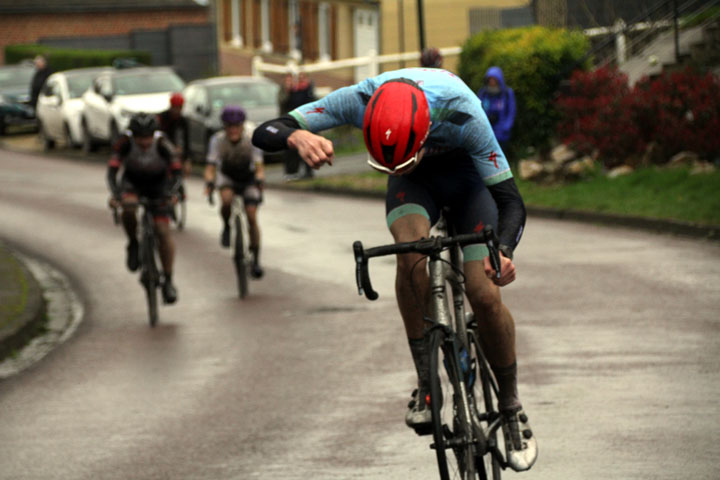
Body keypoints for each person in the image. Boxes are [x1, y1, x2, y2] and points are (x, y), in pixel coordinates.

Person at [252, 68, 537, 471]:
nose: (393, 169)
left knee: (485, 294)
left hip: (468, 182)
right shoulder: (359, 100)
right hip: (416, 185)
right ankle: (426, 381)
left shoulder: (463, 113)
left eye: (401, 161)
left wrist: (503, 251)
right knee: (410, 255)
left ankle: (510, 406)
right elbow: (267, 130)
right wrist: (297, 134)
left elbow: (510, 202)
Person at [107, 113, 182, 304]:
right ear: (133, 135)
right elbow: (112, 171)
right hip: (133, 183)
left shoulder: (163, 144)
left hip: (159, 186)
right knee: (129, 208)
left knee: (163, 232)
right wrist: (116, 194)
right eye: (140, 137)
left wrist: (173, 192)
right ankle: (133, 242)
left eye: (147, 137)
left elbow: (177, 172)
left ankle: (168, 280)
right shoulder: (124, 143)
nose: (144, 142)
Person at [204, 106, 265, 279]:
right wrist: (209, 181)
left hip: (248, 177)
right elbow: (211, 166)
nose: (233, 130)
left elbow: (259, 166)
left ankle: (256, 259)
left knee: (252, 216)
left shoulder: (251, 138)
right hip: (228, 177)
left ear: (242, 126)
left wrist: (260, 179)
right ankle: (226, 225)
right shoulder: (217, 140)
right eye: (229, 126)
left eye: (237, 126)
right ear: (224, 126)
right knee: (226, 200)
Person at [477, 66, 516, 160]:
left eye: (494, 79)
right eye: (490, 79)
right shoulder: (483, 93)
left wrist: (506, 127)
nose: (492, 82)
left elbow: (511, 111)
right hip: (487, 132)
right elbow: (478, 110)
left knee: (500, 158)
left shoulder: (506, 93)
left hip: (501, 133)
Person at [157, 92, 191, 175]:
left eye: (179, 108)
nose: (176, 111)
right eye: (175, 108)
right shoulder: (162, 118)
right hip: (162, 152)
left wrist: (187, 160)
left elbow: (186, 141)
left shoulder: (183, 121)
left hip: (176, 154)